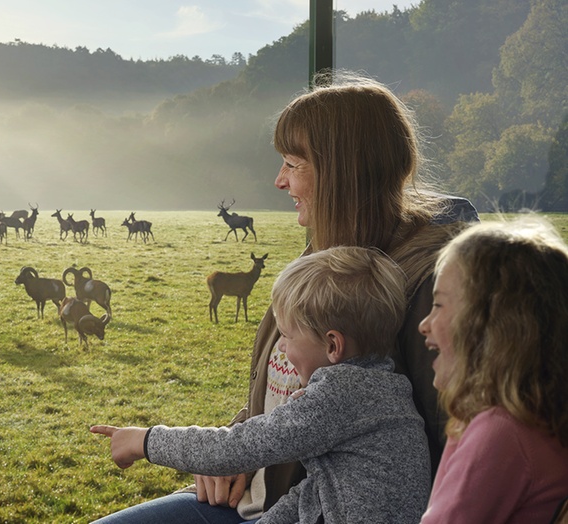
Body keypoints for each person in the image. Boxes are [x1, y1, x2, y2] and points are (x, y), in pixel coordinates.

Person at [89, 71, 476, 523]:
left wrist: (181, 444)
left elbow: (443, 439)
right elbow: (285, 395)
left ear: (343, 172)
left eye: (293, 164)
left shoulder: (425, 285)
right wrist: (238, 447)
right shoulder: (327, 253)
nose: (279, 181)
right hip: (261, 493)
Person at [92, 246, 432, 524]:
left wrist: (143, 440)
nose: (281, 347)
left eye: (286, 335)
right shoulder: (382, 388)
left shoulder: (342, 395)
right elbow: (314, 494)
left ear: (332, 346)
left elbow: (233, 449)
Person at [418, 218, 568, 523]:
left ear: (490, 328)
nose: (424, 324)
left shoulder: (500, 433)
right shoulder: (541, 423)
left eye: (439, 305)